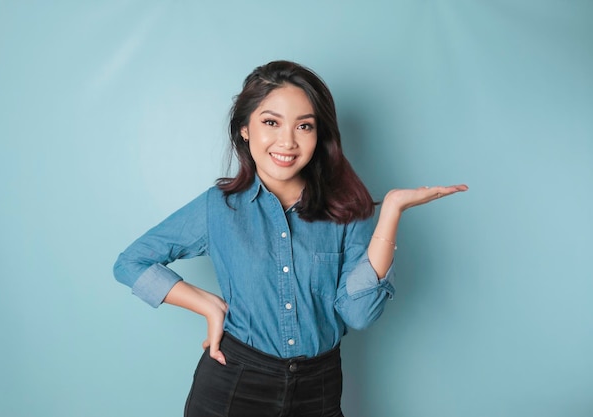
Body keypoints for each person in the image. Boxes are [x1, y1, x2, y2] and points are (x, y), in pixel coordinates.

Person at [113, 60, 467, 417]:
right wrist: (207, 304)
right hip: (233, 385)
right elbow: (130, 263)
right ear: (245, 129)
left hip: (320, 390)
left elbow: (358, 315)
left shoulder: (347, 211)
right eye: (271, 122)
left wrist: (390, 211)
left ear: (319, 135)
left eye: (304, 126)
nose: (288, 141)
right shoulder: (218, 208)